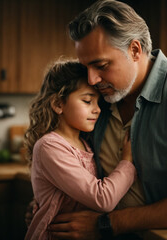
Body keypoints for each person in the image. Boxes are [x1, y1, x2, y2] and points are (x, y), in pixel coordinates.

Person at [48, 0, 167, 239]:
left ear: (135, 50)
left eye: (101, 65)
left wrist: (107, 224)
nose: (91, 79)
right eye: (86, 68)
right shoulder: (98, 98)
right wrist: (51, 205)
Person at [24, 59, 137, 240]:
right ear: (58, 104)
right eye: (87, 101)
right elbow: (103, 199)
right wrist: (127, 161)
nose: (97, 110)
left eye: (98, 102)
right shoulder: (50, 146)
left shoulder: (86, 143)